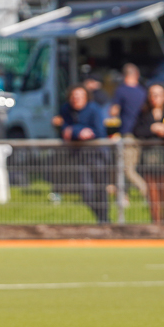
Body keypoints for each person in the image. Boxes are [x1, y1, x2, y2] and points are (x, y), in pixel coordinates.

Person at [54, 85, 111, 223]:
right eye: (74, 96)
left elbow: (99, 132)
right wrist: (76, 131)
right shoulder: (66, 109)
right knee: (86, 193)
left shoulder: (94, 109)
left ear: (86, 97)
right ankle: (102, 218)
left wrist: (75, 131)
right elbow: (64, 129)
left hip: (97, 155)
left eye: (80, 96)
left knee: (100, 190)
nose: (76, 99)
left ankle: (104, 220)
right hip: (78, 155)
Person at [132, 83, 164, 223]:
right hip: (150, 160)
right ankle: (156, 225)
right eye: (152, 94)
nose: (155, 98)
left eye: (158, 94)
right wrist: (152, 129)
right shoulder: (143, 114)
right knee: (153, 197)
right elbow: (137, 131)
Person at [110, 64, 148, 204]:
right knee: (129, 167)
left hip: (127, 133)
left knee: (127, 168)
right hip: (141, 134)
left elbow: (113, 111)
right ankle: (123, 197)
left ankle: (147, 192)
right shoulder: (143, 91)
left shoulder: (121, 91)